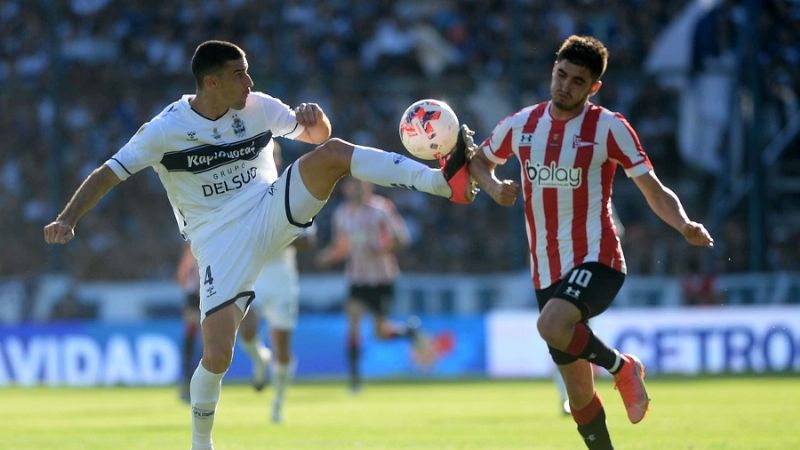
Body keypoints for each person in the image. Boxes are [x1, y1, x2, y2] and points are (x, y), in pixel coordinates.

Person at [43, 40, 474, 450]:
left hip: (270, 207)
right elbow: (107, 172)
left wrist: (317, 119)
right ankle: (200, 442)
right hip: (218, 240)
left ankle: (440, 182)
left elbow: (317, 135)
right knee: (217, 354)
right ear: (211, 82)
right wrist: (67, 218)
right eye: (239, 75)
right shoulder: (164, 130)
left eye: (247, 74)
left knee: (335, 154)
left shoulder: (258, 106)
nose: (249, 83)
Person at [467, 35, 714, 449]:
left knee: (550, 325)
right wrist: (493, 189)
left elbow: (652, 188)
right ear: (553, 69)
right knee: (579, 396)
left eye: (577, 81)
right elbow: (479, 162)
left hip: (598, 260)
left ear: (593, 87)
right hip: (546, 272)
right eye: (561, 75)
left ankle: (622, 368)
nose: (565, 85)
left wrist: (684, 224)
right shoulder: (522, 124)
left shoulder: (608, 127)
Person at [316, 178, 425, 393]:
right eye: (350, 185)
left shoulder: (381, 209)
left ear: (368, 186)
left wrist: (382, 249)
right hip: (357, 279)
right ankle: (355, 380)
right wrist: (326, 257)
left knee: (380, 333)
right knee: (353, 325)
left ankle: (407, 332)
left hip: (382, 278)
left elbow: (402, 238)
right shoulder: (342, 213)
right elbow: (342, 246)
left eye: (358, 184)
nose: (353, 188)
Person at [236, 142, 316, 423]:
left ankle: (278, 404)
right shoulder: (244, 193)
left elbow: (309, 239)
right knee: (245, 329)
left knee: (282, 346)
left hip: (282, 280)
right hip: (254, 276)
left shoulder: (293, 192)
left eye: (273, 156)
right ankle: (259, 361)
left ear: (279, 160)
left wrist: (281, 236)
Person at [176, 243, 202, 403]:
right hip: (195, 295)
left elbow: (182, 275)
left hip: (206, 292)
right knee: (191, 338)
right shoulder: (192, 246)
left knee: (204, 343)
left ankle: (195, 383)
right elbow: (182, 273)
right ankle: (187, 382)